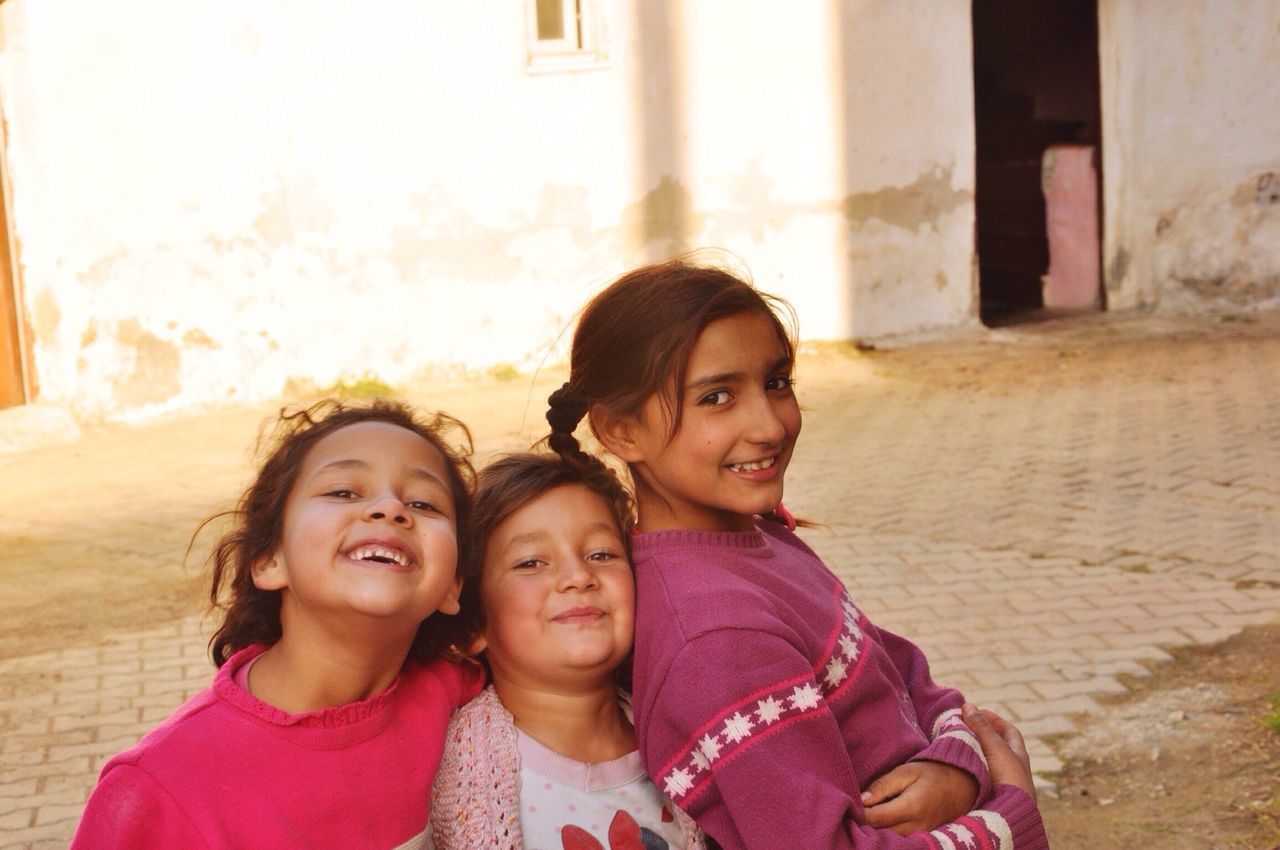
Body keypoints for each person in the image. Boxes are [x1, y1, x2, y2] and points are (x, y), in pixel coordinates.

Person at [544, 258, 1050, 849]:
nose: (769, 425)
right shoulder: (717, 635)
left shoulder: (759, 537)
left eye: (776, 382)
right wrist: (1006, 813)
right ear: (621, 431)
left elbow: (899, 671)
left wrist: (956, 767)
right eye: (717, 397)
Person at [71, 400, 484, 849]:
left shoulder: (462, 698)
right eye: (343, 492)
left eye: (423, 503)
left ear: (453, 586)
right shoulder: (161, 789)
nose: (390, 508)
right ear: (269, 559)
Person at [431, 451, 706, 850]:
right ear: (474, 623)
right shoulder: (447, 775)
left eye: (601, 554)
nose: (578, 576)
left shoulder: (687, 733)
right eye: (530, 563)